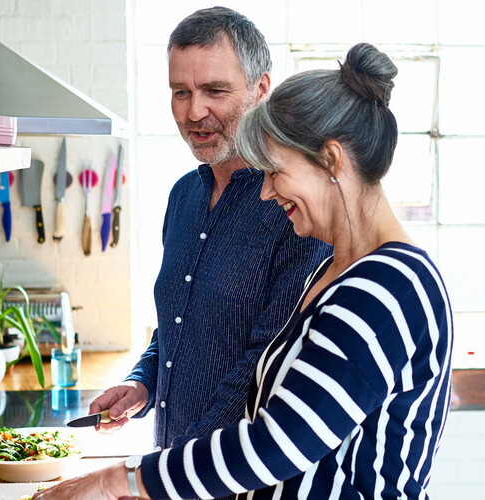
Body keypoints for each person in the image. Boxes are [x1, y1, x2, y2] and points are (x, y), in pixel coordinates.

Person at [35, 43, 453, 500]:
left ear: (332, 161)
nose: (266, 192)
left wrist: (116, 480)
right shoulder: (339, 272)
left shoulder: (390, 289)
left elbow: (276, 443)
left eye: (275, 172)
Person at [86, 6, 331, 458]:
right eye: (181, 91)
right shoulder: (183, 197)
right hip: (173, 465)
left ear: (260, 89)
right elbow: (176, 325)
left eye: (215, 90)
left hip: (230, 475)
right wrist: (141, 383)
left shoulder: (294, 209)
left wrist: (174, 470)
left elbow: (264, 367)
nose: (194, 111)